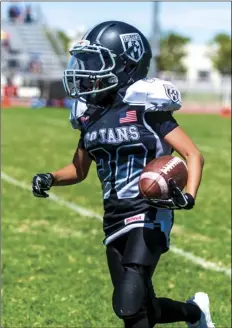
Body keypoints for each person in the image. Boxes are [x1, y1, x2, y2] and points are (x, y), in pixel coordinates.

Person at [31, 21, 215, 328]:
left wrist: (189, 196)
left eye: (95, 62)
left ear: (126, 63)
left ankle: (192, 313)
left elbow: (192, 154)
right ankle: (194, 313)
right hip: (113, 217)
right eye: (85, 62)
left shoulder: (145, 104)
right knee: (140, 312)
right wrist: (50, 177)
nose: (86, 70)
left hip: (149, 213)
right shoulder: (90, 115)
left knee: (128, 301)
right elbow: (78, 169)